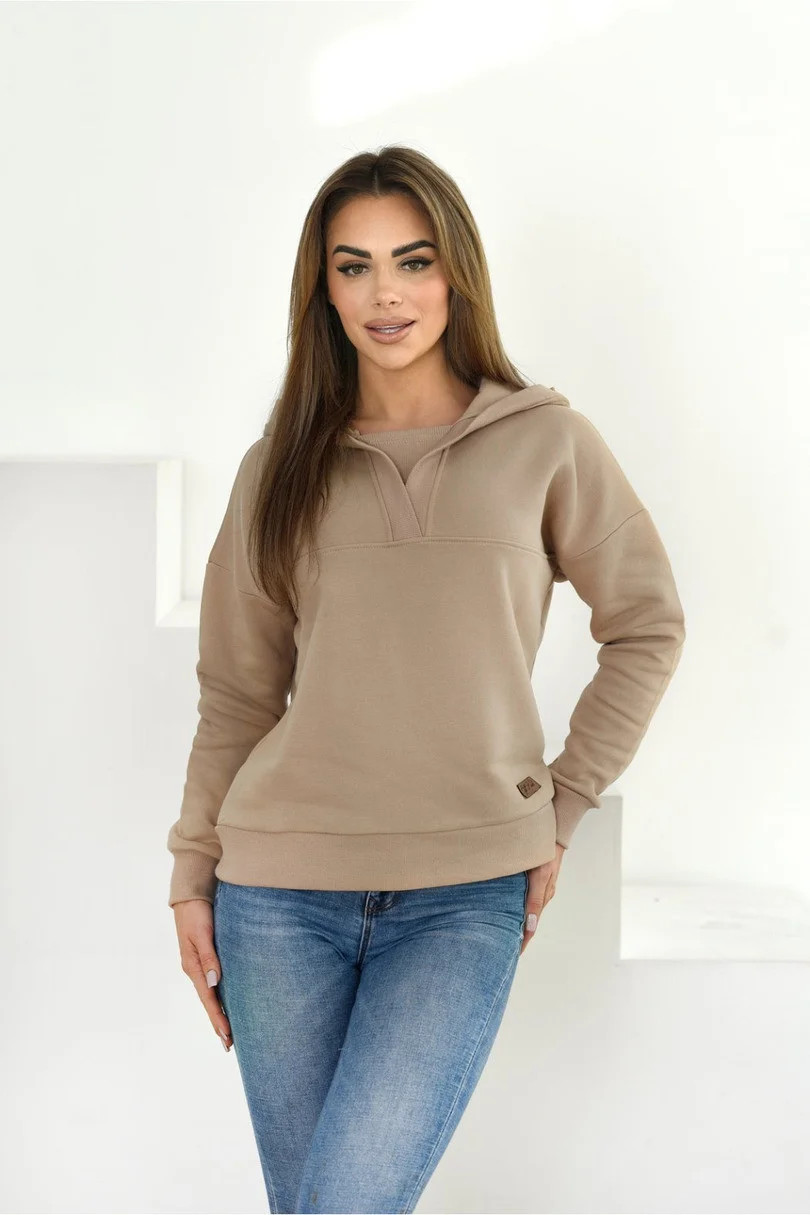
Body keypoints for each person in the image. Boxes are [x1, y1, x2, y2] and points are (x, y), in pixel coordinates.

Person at [166, 145, 686, 1214]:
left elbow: (647, 624)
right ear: (323, 289)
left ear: (457, 273)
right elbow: (238, 694)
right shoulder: (279, 467)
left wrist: (565, 800)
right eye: (353, 266)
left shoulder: (546, 441)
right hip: (277, 897)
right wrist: (192, 872)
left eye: (413, 260)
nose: (386, 294)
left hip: (463, 895)